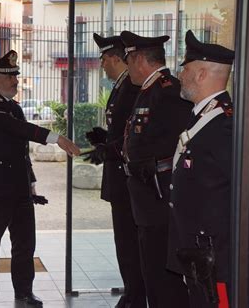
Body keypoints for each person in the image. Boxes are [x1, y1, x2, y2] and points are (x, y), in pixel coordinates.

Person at [0, 50, 80, 308]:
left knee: (24, 244)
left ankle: (24, 292)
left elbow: (21, 150)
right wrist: (57, 138)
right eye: (10, 78)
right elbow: (19, 130)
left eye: (16, 78)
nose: (16, 82)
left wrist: (31, 181)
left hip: (19, 189)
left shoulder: (13, 107)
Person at [120, 30, 192, 308]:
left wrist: (151, 166)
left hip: (159, 199)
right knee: (152, 274)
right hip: (147, 199)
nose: (128, 69)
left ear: (139, 60)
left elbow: (180, 142)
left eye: (128, 61)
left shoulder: (167, 91)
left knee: (164, 280)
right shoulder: (149, 90)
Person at [167, 30, 235, 308]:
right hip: (195, 251)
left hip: (213, 257)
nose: (180, 76)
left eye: (186, 69)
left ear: (202, 74)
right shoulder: (201, 116)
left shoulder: (224, 125)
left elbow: (235, 195)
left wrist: (213, 250)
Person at [84, 33, 146, 308]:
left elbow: (134, 136)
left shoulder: (132, 89)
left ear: (114, 58)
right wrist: (104, 138)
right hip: (119, 176)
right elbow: (122, 129)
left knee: (129, 243)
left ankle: (134, 295)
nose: (103, 66)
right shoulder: (122, 87)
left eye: (104, 60)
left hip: (126, 179)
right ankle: (131, 292)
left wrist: (109, 148)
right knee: (124, 242)